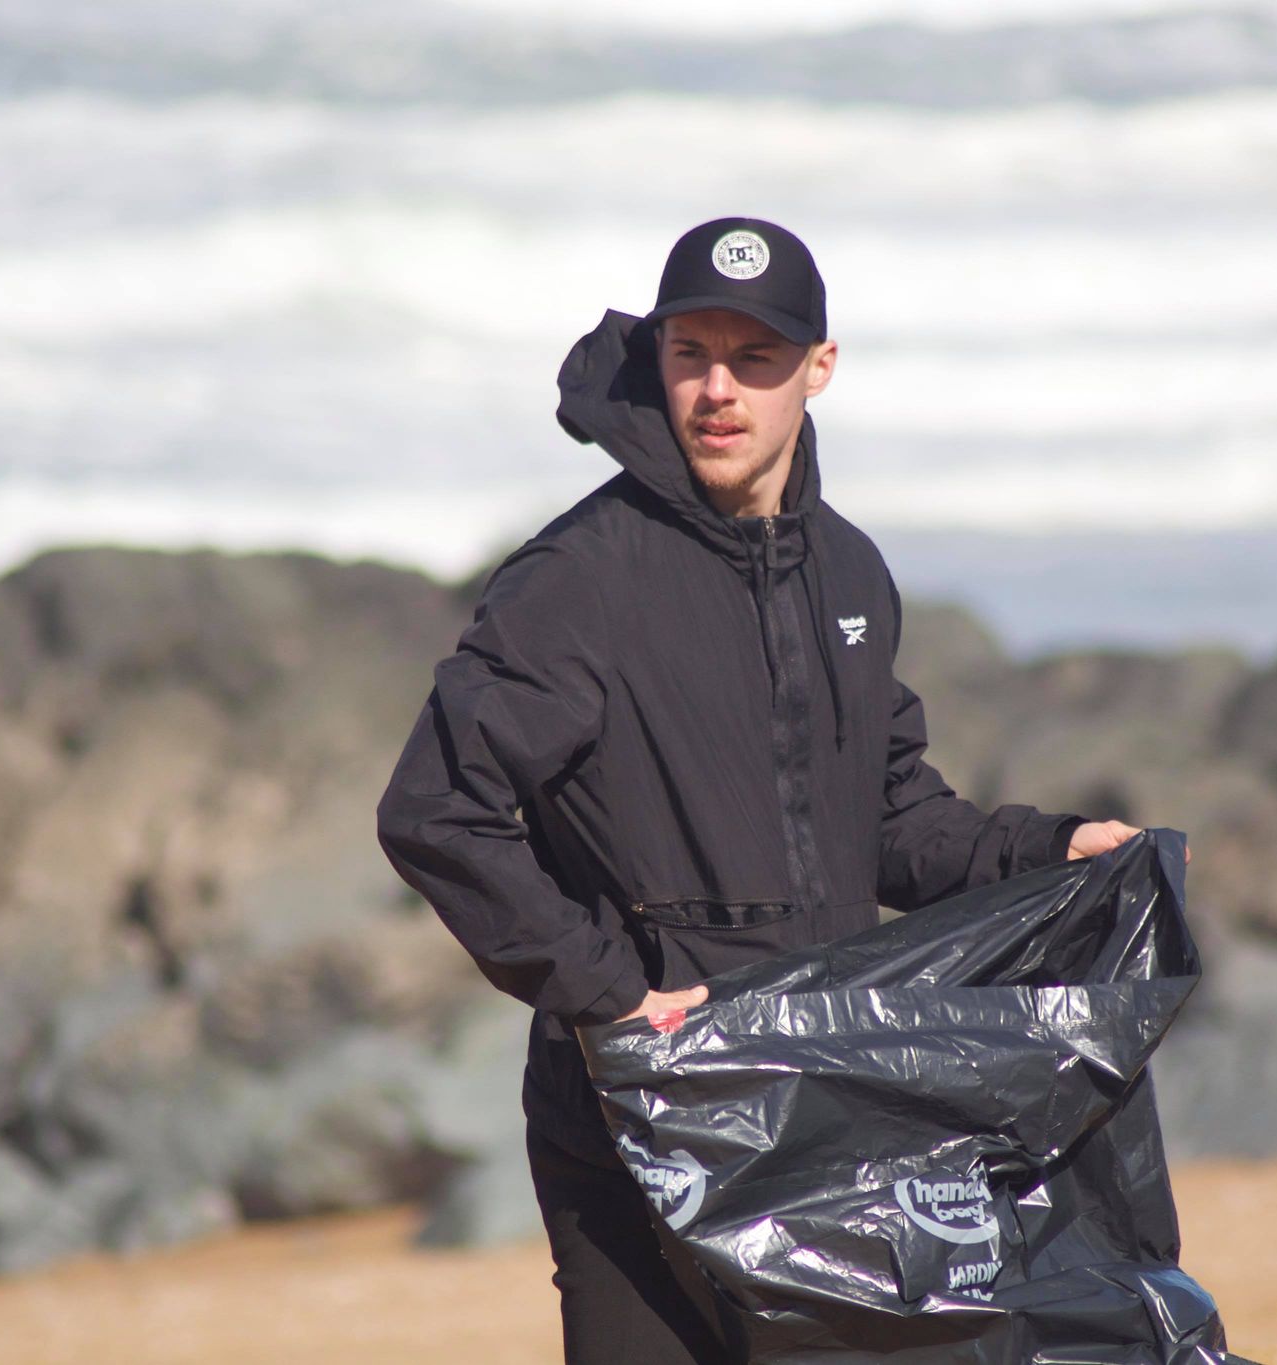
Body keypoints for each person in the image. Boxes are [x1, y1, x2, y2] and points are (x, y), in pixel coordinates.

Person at [375, 217, 1146, 1364]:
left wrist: (1049, 849)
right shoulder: (578, 580)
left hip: (821, 1092)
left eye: (755, 359)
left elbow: (889, 821)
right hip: (641, 1104)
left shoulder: (848, 572)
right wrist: (604, 992)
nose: (717, 391)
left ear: (818, 368)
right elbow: (436, 810)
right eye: (690, 354)